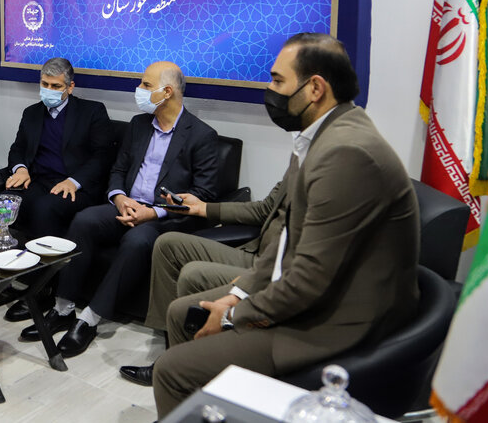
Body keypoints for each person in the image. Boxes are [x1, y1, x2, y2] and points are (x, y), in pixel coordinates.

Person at [147, 33, 420, 416]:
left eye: (278, 80)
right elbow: (282, 242)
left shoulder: (346, 152)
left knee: (172, 370)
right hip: (310, 296)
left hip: (333, 323)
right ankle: (213, 408)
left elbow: (309, 279)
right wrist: (237, 295)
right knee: (181, 313)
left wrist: (234, 315)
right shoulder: (316, 139)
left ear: (315, 89)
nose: (270, 89)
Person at [20, 61, 220, 358]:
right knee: (84, 221)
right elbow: (118, 168)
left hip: (162, 217)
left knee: (137, 240)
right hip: (125, 205)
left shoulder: (201, 135)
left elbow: (203, 194)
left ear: (167, 92)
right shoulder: (139, 125)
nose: (139, 89)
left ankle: (90, 319)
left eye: (145, 85)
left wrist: (154, 212)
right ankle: (62, 308)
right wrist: (119, 197)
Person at [117, 179, 287, 386]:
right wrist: (201, 207)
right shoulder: (298, 165)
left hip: (276, 271)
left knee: (192, 274)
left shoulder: (321, 177)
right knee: (167, 244)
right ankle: (172, 350)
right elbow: (264, 209)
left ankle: (182, 367)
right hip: (257, 253)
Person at [1, 57, 113, 322]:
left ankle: (42, 291)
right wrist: (21, 169)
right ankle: (6, 276)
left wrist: (74, 181)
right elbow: (18, 148)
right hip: (38, 180)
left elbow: (103, 156)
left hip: (75, 187)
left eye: (55, 86)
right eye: (44, 84)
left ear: (70, 87)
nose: (48, 90)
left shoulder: (93, 111)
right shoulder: (31, 113)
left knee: (45, 209)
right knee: (7, 200)